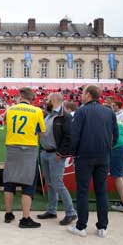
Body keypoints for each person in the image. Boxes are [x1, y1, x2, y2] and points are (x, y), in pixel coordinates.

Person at [69, 85, 118, 238]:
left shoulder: (81, 111)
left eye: (83, 93)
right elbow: (115, 136)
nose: (82, 95)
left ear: (89, 95)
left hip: (85, 156)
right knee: (101, 191)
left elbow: (74, 136)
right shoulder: (109, 112)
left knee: (83, 191)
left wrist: (74, 153)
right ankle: (103, 227)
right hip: (103, 156)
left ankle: (81, 226)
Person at [3, 87, 46, 229]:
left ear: (20, 97)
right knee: (28, 184)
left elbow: (8, 125)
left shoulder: (10, 110)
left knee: (9, 180)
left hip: (12, 148)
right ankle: (25, 218)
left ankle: (8, 214)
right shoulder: (37, 111)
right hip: (29, 149)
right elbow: (41, 133)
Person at [37, 93, 77, 225]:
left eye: (48, 99)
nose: (46, 101)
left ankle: (71, 212)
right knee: (50, 182)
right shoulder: (48, 114)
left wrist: (61, 153)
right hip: (45, 152)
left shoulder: (65, 116)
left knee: (57, 182)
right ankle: (52, 210)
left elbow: (69, 136)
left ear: (53, 100)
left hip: (56, 154)